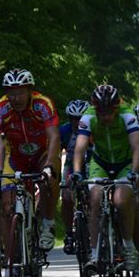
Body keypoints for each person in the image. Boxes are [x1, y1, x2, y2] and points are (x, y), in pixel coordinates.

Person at [0, 68, 60, 277]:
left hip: (42, 154)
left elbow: (54, 137)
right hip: (15, 159)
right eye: (11, 93)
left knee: (48, 180)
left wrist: (50, 165)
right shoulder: (0, 107)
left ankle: (47, 222)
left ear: (29, 90)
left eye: (20, 92)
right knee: (6, 207)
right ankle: (10, 268)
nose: (15, 98)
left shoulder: (43, 104)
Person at [70, 85, 139, 274]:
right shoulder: (88, 118)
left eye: (110, 112)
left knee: (120, 200)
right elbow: (79, 149)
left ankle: (129, 247)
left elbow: (137, 148)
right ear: (95, 110)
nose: (106, 117)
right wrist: (77, 172)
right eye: (101, 112)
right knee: (95, 199)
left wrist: (134, 173)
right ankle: (94, 254)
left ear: (117, 107)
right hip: (100, 162)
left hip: (125, 164)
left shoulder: (128, 117)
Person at [61, 99, 91, 255]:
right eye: (73, 118)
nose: (77, 122)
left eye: (80, 118)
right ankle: (68, 233)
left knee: (95, 197)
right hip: (72, 166)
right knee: (66, 197)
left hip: (91, 166)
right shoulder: (64, 131)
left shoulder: (93, 129)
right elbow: (54, 153)